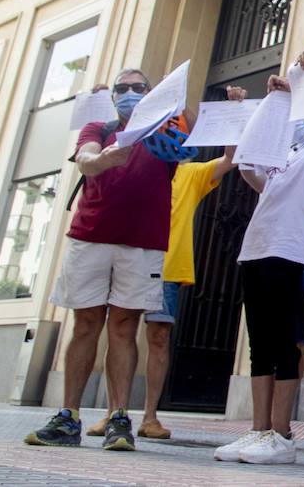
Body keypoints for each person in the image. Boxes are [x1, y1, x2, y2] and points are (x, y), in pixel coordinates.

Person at [26, 68, 197, 452]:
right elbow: (85, 159)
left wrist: (176, 103)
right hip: (90, 237)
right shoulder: (98, 128)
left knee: (124, 326)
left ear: (152, 94)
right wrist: (104, 158)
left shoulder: (164, 130)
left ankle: (120, 418)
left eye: (139, 87)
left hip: (143, 243)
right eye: (123, 88)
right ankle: (68, 416)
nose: (130, 93)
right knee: (85, 324)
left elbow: (194, 141)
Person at [213, 46, 304, 466]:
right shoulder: (289, 154)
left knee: (283, 345)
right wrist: (264, 107)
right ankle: (258, 430)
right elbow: (246, 168)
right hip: (255, 251)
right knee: (259, 344)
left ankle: (279, 433)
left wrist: (300, 88)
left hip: (287, 254)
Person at [83, 86, 247, 443]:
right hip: (128, 258)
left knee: (158, 338)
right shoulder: (134, 163)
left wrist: (233, 114)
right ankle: (115, 412)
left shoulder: (189, 173)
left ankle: (150, 417)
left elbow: (229, 160)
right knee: (120, 333)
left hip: (166, 269)